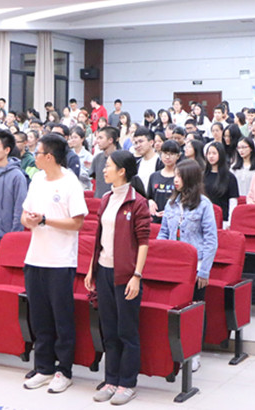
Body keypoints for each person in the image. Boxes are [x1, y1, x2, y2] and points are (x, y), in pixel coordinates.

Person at [20, 134, 87, 393]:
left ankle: (64, 370)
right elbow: (24, 215)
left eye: (37, 152)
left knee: (62, 319)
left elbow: (77, 222)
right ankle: (44, 368)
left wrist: (46, 220)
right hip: (35, 258)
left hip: (60, 261)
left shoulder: (70, 183)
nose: (34, 156)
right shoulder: (37, 179)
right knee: (39, 318)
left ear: (49, 156)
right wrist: (30, 221)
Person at [85, 150, 150, 405]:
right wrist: (91, 269)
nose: (104, 170)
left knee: (127, 331)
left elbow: (143, 242)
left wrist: (137, 275)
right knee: (109, 329)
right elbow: (99, 238)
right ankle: (111, 380)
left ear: (122, 171)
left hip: (126, 275)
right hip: (104, 270)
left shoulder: (138, 202)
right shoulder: (106, 198)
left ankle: (127, 383)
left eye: (108, 166)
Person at [156, 158, 218, 373]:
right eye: (175, 175)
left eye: (179, 176)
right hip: (173, 266)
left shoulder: (204, 204)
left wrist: (205, 270)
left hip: (196, 264)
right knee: (174, 309)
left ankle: (194, 353)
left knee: (194, 309)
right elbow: (163, 232)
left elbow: (211, 240)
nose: (175, 179)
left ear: (189, 178)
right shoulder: (171, 203)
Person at [203, 141, 239, 226]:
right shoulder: (202, 176)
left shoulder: (230, 177)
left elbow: (233, 201)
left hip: (223, 220)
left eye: (214, 153)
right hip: (204, 218)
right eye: (209, 153)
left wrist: (229, 221)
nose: (211, 156)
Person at [147, 140, 180, 221]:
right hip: (155, 219)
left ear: (178, 156)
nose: (167, 157)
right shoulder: (154, 176)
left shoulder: (181, 177)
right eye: (165, 153)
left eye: (171, 154)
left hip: (174, 220)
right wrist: (149, 201)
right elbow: (148, 196)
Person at [91, 126, 120, 198]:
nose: (98, 141)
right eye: (97, 138)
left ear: (110, 140)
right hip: (99, 200)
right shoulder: (97, 158)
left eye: (101, 138)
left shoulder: (121, 158)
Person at [68, 126, 94, 190]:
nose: (73, 140)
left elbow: (90, 175)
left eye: (75, 137)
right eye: (71, 138)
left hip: (83, 187)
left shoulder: (88, 156)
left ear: (82, 139)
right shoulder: (68, 154)